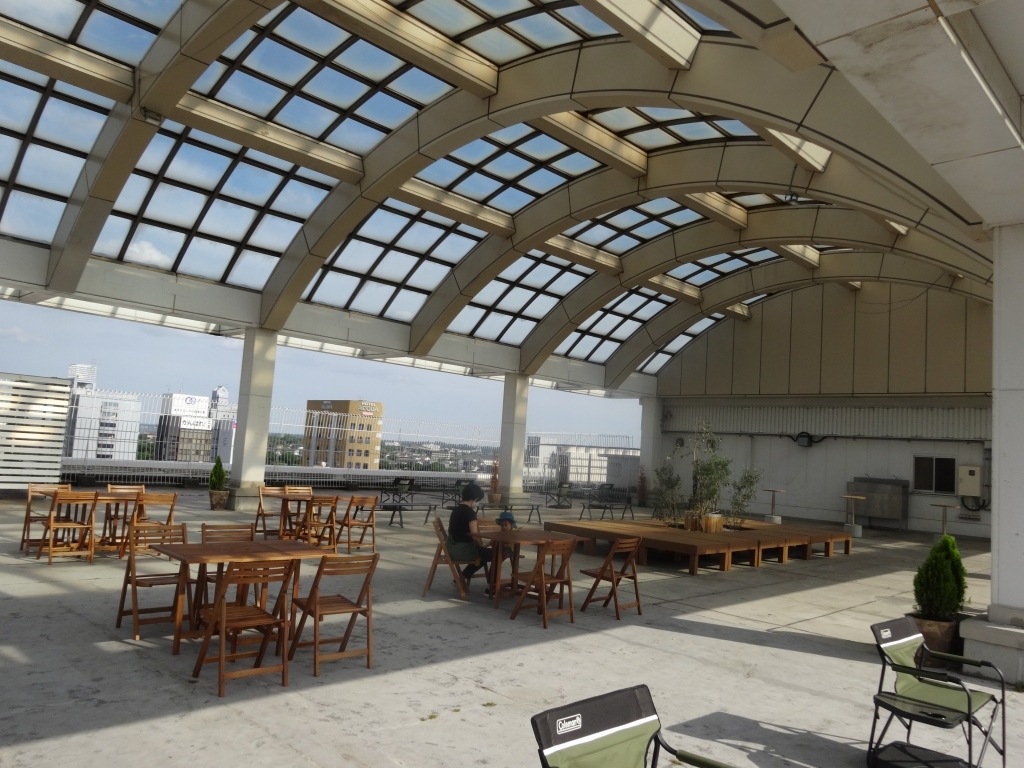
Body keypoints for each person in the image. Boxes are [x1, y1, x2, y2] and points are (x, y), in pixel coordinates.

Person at [446, 482, 491, 585]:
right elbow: (475, 535)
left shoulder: (456, 510)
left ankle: (461, 578)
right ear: (475, 499)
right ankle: (492, 585)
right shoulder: (470, 513)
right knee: (499, 553)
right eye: (478, 500)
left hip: (452, 548)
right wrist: (481, 546)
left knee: (486, 555)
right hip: (464, 550)